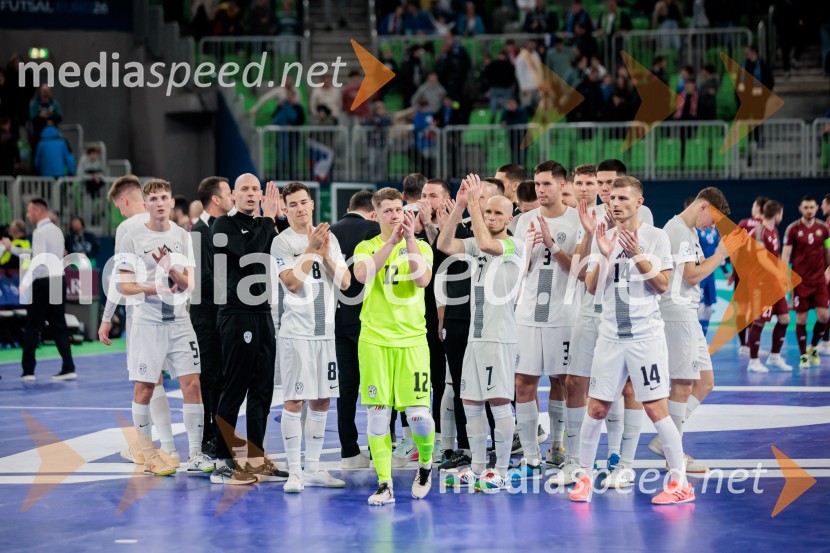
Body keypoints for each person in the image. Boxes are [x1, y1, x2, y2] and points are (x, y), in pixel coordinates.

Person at [570, 176, 693, 505]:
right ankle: (583, 477)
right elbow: (593, 287)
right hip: (610, 336)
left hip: (645, 338)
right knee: (595, 408)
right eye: (612, 199)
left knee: (656, 409)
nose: (616, 203)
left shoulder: (656, 237)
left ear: (639, 202)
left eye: (623, 198)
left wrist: (636, 253)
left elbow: (663, 286)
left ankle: (680, 482)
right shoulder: (603, 236)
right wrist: (607, 254)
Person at [115, 179, 213, 477]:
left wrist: (170, 268)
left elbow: (189, 284)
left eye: (164, 198)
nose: (160, 203)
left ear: (173, 203)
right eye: (154, 198)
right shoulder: (132, 236)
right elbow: (123, 285)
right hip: (148, 323)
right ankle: (150, 454)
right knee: (144, 388)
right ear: (145, 205)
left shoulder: (183, 236)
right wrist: (153, 288)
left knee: (193, 384)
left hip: (180, 321)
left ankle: (195, 453)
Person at [437, 174, 522, 491]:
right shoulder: (474, 243)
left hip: (499, 337)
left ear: (509, 217)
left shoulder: (514, 244)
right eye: (488, 213)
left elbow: (486, 243)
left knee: (498, 403)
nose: (491, 217)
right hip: (476, 335)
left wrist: (474, 200)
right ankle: (476, 467)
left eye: (498, 213)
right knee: (470, 402)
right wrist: (460, 206)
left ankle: (500, 468)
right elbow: (444, 244)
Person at [353, 187, 435, 505]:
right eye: (387, 211)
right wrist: (391, 242)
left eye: (398, 209)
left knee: (419, 417)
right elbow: (362, 274)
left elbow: (422, 280)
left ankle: (425, 465)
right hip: (374, 340)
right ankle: (384, 483)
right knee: (377, 416)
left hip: (412, 340)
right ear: (376, 215)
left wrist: (410, 239)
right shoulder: (366, 246)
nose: (395, 215)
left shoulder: (422, 246)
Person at [210, 176, 289, 485]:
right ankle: (222, 460)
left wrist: (275, 220)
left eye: (256, 189)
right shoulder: (224, 226)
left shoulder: (264, 226)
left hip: (262, 313)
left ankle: (255, 459)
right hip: (236, 314)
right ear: (233, 195)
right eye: (244, 189)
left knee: (262, 390)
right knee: (234, 389)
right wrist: (268, 219)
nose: (251, 194)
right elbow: (249, 256)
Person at [649, 188, 732, 482]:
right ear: (703, 206)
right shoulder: (677, 230)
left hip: (689, 314)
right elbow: (691, 275)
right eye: (712, 220)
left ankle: (665, 440)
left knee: (706, 382)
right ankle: (674, 453)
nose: (711, 226)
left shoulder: (689, 232)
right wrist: (721, 255)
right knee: (682, 384)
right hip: (676, 314)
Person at [272, 182, 349, 492]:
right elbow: (291, 282)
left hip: (325, 335)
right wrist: (309, 250)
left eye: (304, 202)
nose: (301, 208)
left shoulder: (329, 238)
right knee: (294, 400)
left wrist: (325, 252)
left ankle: (315, 469)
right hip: (296, 334)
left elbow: (344, 282)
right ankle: (295, 471)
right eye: (293, 204)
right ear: (285, 209)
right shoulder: (281, 242)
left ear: (312, 204)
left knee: (322, 399)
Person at [98, 176, 179, 464]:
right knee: (184, 381)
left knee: (149, 381)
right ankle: (172, 446)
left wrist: (106, 318)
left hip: (144, 313)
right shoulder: (171, 225)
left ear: (123, 201)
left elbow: (121, 279)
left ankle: (152, 447)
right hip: (177, 313)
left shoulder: (127, 228)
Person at [512, 160, 580, 480]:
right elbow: (515, 273)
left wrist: (552, 243)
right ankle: (529, 454)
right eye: (537, 184)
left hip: (564, 314)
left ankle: (557, 446)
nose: (540, 189)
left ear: (562, 185)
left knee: (561, 381)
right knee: (523, 381)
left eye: (547, 184)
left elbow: (580, 271)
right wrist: (527, 249)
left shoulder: (578, 221)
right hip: (527, 315)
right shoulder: (524, 221)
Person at [548, 164, 599, 484]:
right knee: (571, 383)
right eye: (578, 183)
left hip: (610, 314)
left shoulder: (620, 216)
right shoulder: (572, 221)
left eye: (589, 183)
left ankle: (615, 457)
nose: (583, 189)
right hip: (575, 314)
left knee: (617, 389)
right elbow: (579, 269)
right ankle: (570, 453)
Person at [330, 191, 380, 469]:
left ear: (349, 208)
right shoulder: (375, 230)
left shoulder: (331, 232)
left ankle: (349, 451)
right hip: (371, 318)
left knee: (346, 388)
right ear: (373, 212)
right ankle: (378, 449)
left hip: (339, 319)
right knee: (378, 388)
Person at [4, 198, 75, 381]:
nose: (27, 215)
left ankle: (28, 371)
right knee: (59, 325)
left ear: (36, 211)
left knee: (32, 326)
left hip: (43, 282)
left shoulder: (39, 232)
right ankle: (69, 367)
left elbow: (38, 261)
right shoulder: (57, 231)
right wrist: (12, 249)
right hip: (58, 280)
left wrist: (26, 281)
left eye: (29, 211)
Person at [189, 176, 234, 458]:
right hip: (206, 315)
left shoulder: (223, 229)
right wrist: (236, 287)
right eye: (229, 193)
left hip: (222, 313)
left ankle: (219, 431)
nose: (233, 198)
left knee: (222, 375)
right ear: (216, 199)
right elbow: (202, 279)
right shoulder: (197, 232)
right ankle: (208, 435)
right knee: (210, 375)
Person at [740, 200, 793, 373]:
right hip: (762, 284)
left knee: (785, 319)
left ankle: (774, 357)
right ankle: (753, 361)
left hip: (774, 284)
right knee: (759, 322)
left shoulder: (774, 230)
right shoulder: (759, 232)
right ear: (778, 214)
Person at [782, 196, 830, 369]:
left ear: (816, 208)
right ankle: (803, 355)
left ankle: (813, 347)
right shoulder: (792, 229)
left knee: (824, 316)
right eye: (806, 207)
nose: (809, 210)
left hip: (819, 281)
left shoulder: (824, 229)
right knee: (801, 319)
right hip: (800, 282)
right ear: (800, 208)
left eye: (812, 207)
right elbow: (786, 254)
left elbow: (828, 250)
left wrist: (828, 271)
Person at [735, 195, 768, 355]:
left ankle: (743, 346)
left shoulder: (743, 223)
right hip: (757, 274)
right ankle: (752, 345)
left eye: (754, 205)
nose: (752, 207)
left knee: (741, 309)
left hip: (741, 271)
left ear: (758, 208)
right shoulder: (765, 226)